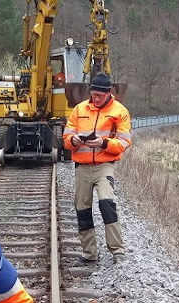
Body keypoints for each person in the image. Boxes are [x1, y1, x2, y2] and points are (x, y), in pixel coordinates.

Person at [62, 72, 132, 264]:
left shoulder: (120, 111)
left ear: (108, 93)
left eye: (99, 95)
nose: (95, 98)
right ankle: (89, 254)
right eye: (93, 95)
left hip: (104, 166)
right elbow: (66, 140)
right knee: (82, 209)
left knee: (106, 203)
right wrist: (73, 141)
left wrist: (103, 143)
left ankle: (117, 251)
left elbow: (124, 143)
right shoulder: (78, 109)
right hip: (82, 167)